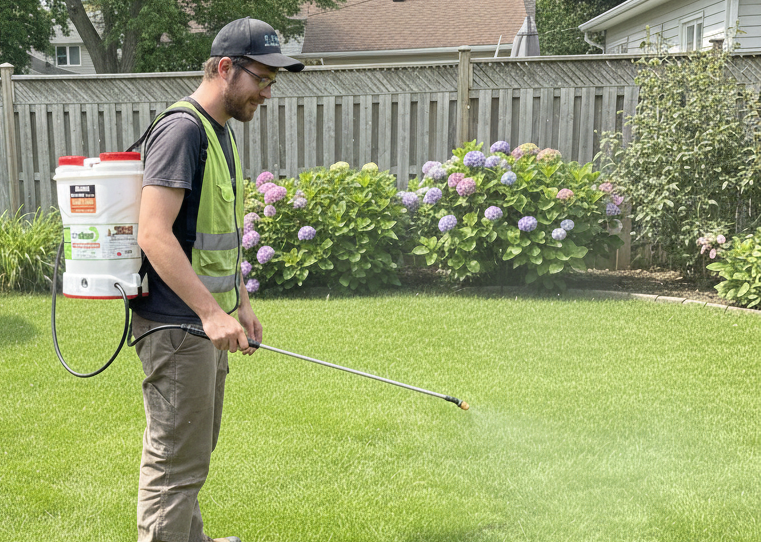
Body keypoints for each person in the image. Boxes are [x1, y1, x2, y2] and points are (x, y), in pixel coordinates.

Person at [129, 18, 304, 542]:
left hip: (205, 322)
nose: (268, 93)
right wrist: (210, 312)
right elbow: (154, 234)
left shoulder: (218, 131)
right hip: (178, 327)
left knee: (192, 452)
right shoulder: (183, 131)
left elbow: (215, 234)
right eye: (263, 79)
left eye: (274, 82)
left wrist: (239, 303)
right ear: (225, 68)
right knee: (173, 463)